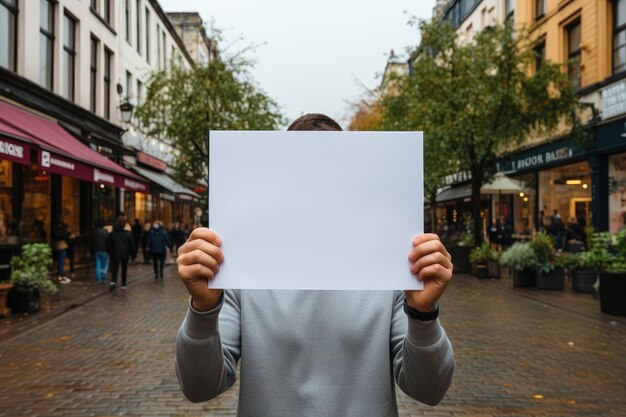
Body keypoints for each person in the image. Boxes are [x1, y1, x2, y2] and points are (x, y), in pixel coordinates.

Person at [174, 114, 455, 416]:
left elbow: (429, 390)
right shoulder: (242, 268)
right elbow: (199, 387)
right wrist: (203, 309)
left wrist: (423, 316)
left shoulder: (390, 268)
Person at [106, 215, 135, 291]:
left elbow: (108, 244)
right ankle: (123, 284)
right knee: (124, 269)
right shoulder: (128, 234)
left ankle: (113, 282)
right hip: (124, 254)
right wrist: (133, 255)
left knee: (114, 268)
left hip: (114, 253)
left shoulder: (112, 234)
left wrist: (109, 252)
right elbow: (132, 245)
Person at [52, 217, 71, 284]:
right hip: (62, 246)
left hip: (57, 246)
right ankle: (62, 276)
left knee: (59, 261)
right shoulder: (61, 230)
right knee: (61, 262)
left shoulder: (55, 229)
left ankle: (60, 276)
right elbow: (67, 234)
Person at [93, 219, 109, 284]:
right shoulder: (105, 232)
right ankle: (103, 276)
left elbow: (92, 242)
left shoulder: (95, 232)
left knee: (98, 264)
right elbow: (108, 242)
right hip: (105, 250)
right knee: (104, 264)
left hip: (97, 250)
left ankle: (99, 278)